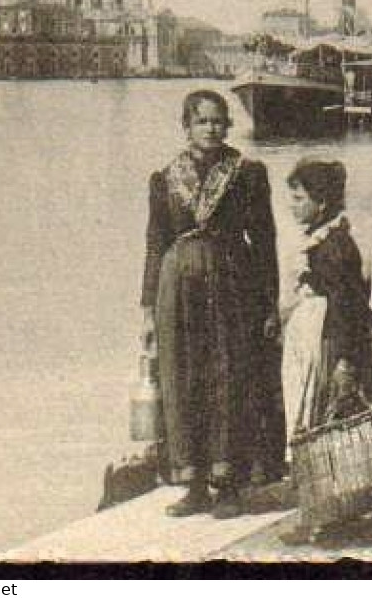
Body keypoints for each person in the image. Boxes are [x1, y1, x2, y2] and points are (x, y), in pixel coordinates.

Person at [142, 90, 279, 518]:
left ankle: (230, 484)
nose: (211, 128)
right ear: (186, 126)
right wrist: (147, 307)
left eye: (219, 120)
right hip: (177, 290)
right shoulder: (164, 178)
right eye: (202, 121)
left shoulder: (247, 174)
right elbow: (154, 244)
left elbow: (265, 241)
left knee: (229, 375)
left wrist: (270, 301)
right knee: (182, 378)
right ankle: (193, 483)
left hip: (232, 286)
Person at [279, 158, 372, 442]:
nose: (292, 205)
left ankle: (310, 455)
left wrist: (344, 357)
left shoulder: (332, 246)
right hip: (314, 330)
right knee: (311, 398)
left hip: (324, 335)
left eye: (299, 199)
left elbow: (345, 302)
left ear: (321, 203)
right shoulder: (324, 239)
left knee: (317, 398)